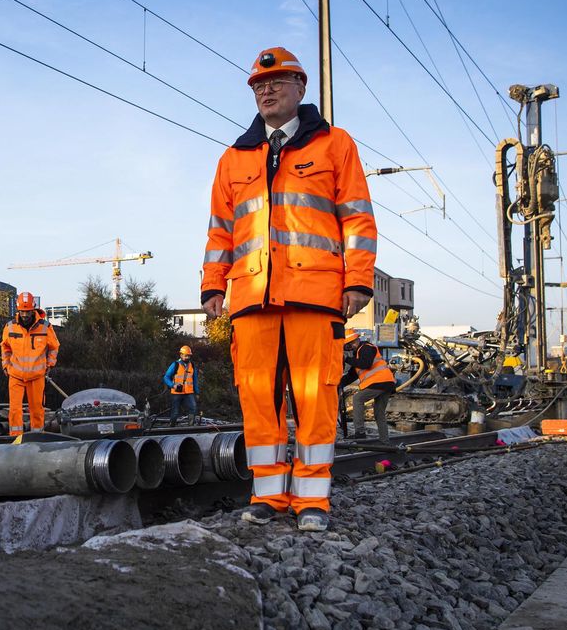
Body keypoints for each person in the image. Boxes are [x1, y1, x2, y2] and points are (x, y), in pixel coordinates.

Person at [201, 46, 377, 533]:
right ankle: (268, 495)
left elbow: (357, 218)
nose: (267, 89)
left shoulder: (335, 144)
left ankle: (312, 499)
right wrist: (213, 285)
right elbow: (220, 230)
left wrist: (359, 279)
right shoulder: (233, 159)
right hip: (251, 298)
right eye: (259, 84)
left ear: (301, 86)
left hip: (315, 294)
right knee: (258, 396)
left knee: (314, 397)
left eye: (277, 81)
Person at [0, 291, 60, 437]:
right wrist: (6, 364)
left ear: (33, 309)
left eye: (27, 312)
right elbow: (5, 346)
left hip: (36, 376)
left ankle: (37, 438)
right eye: (22, 311)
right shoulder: (10, 327)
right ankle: (16, 439)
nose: (25, 315)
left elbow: (54, 347)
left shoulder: (45, 327)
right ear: (18, 310)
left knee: (37, 410)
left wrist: (49, 365)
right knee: (15, 410)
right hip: (15, 375)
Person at [339, 331, 395, 442]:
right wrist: (338, 383)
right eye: (348, 347)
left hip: (379, 382)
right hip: (387, 384)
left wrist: (347, 359)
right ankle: (385, 441)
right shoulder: (358, 355)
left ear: (356, 341)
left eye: (350, 345)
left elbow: (365, 364)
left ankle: (360, 432)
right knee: (379, 413)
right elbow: (351, 375)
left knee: (357, 398)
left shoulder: (367, 348)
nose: (350, 348)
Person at [163, 345, 201, 426]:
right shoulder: (175, 365)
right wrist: (173, 385)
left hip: (189, 392)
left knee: (193, 408)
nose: (187, 357)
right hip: (177, 392)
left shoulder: (192, 365)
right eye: (186, 355)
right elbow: (166, 377)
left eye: (189, 356)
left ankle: (190, 427)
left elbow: (195, 380)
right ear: (181, 355)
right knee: (175, 412)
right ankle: (171, 427)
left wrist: (197, 392)